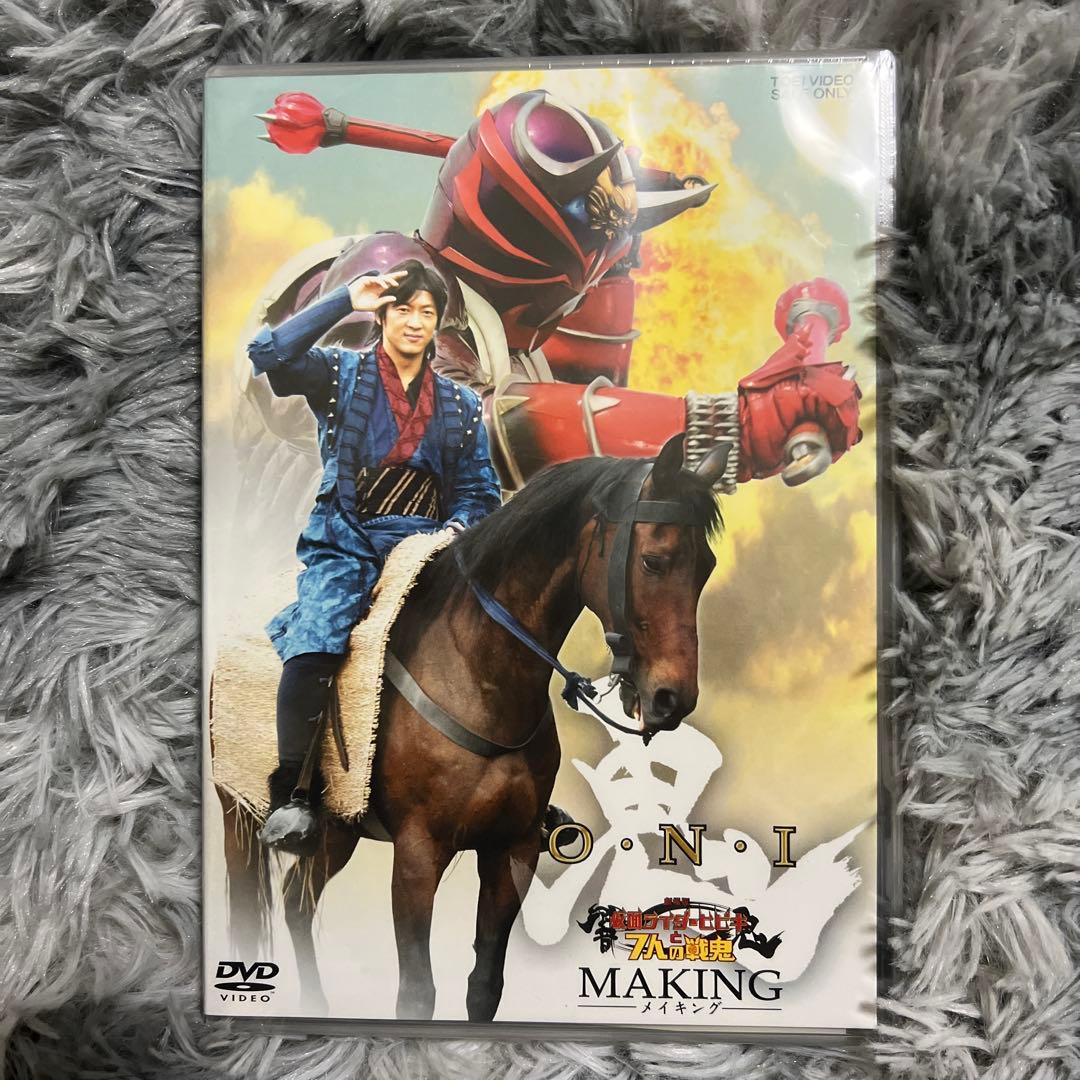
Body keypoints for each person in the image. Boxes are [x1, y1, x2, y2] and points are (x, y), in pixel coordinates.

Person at [248, 259, 501, 853]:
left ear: (438, 324)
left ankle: (516, 784)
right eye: (402, 309)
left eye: (426, 312)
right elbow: (267, 355)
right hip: (347, 542)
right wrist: (346, 299)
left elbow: (479, 492)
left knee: (495, 634)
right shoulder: (340, 374)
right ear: (383, 315)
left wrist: (454, 531)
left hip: (431, 548)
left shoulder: (462, 405)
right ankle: (294, 794)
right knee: (317, 638)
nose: (414, 322)